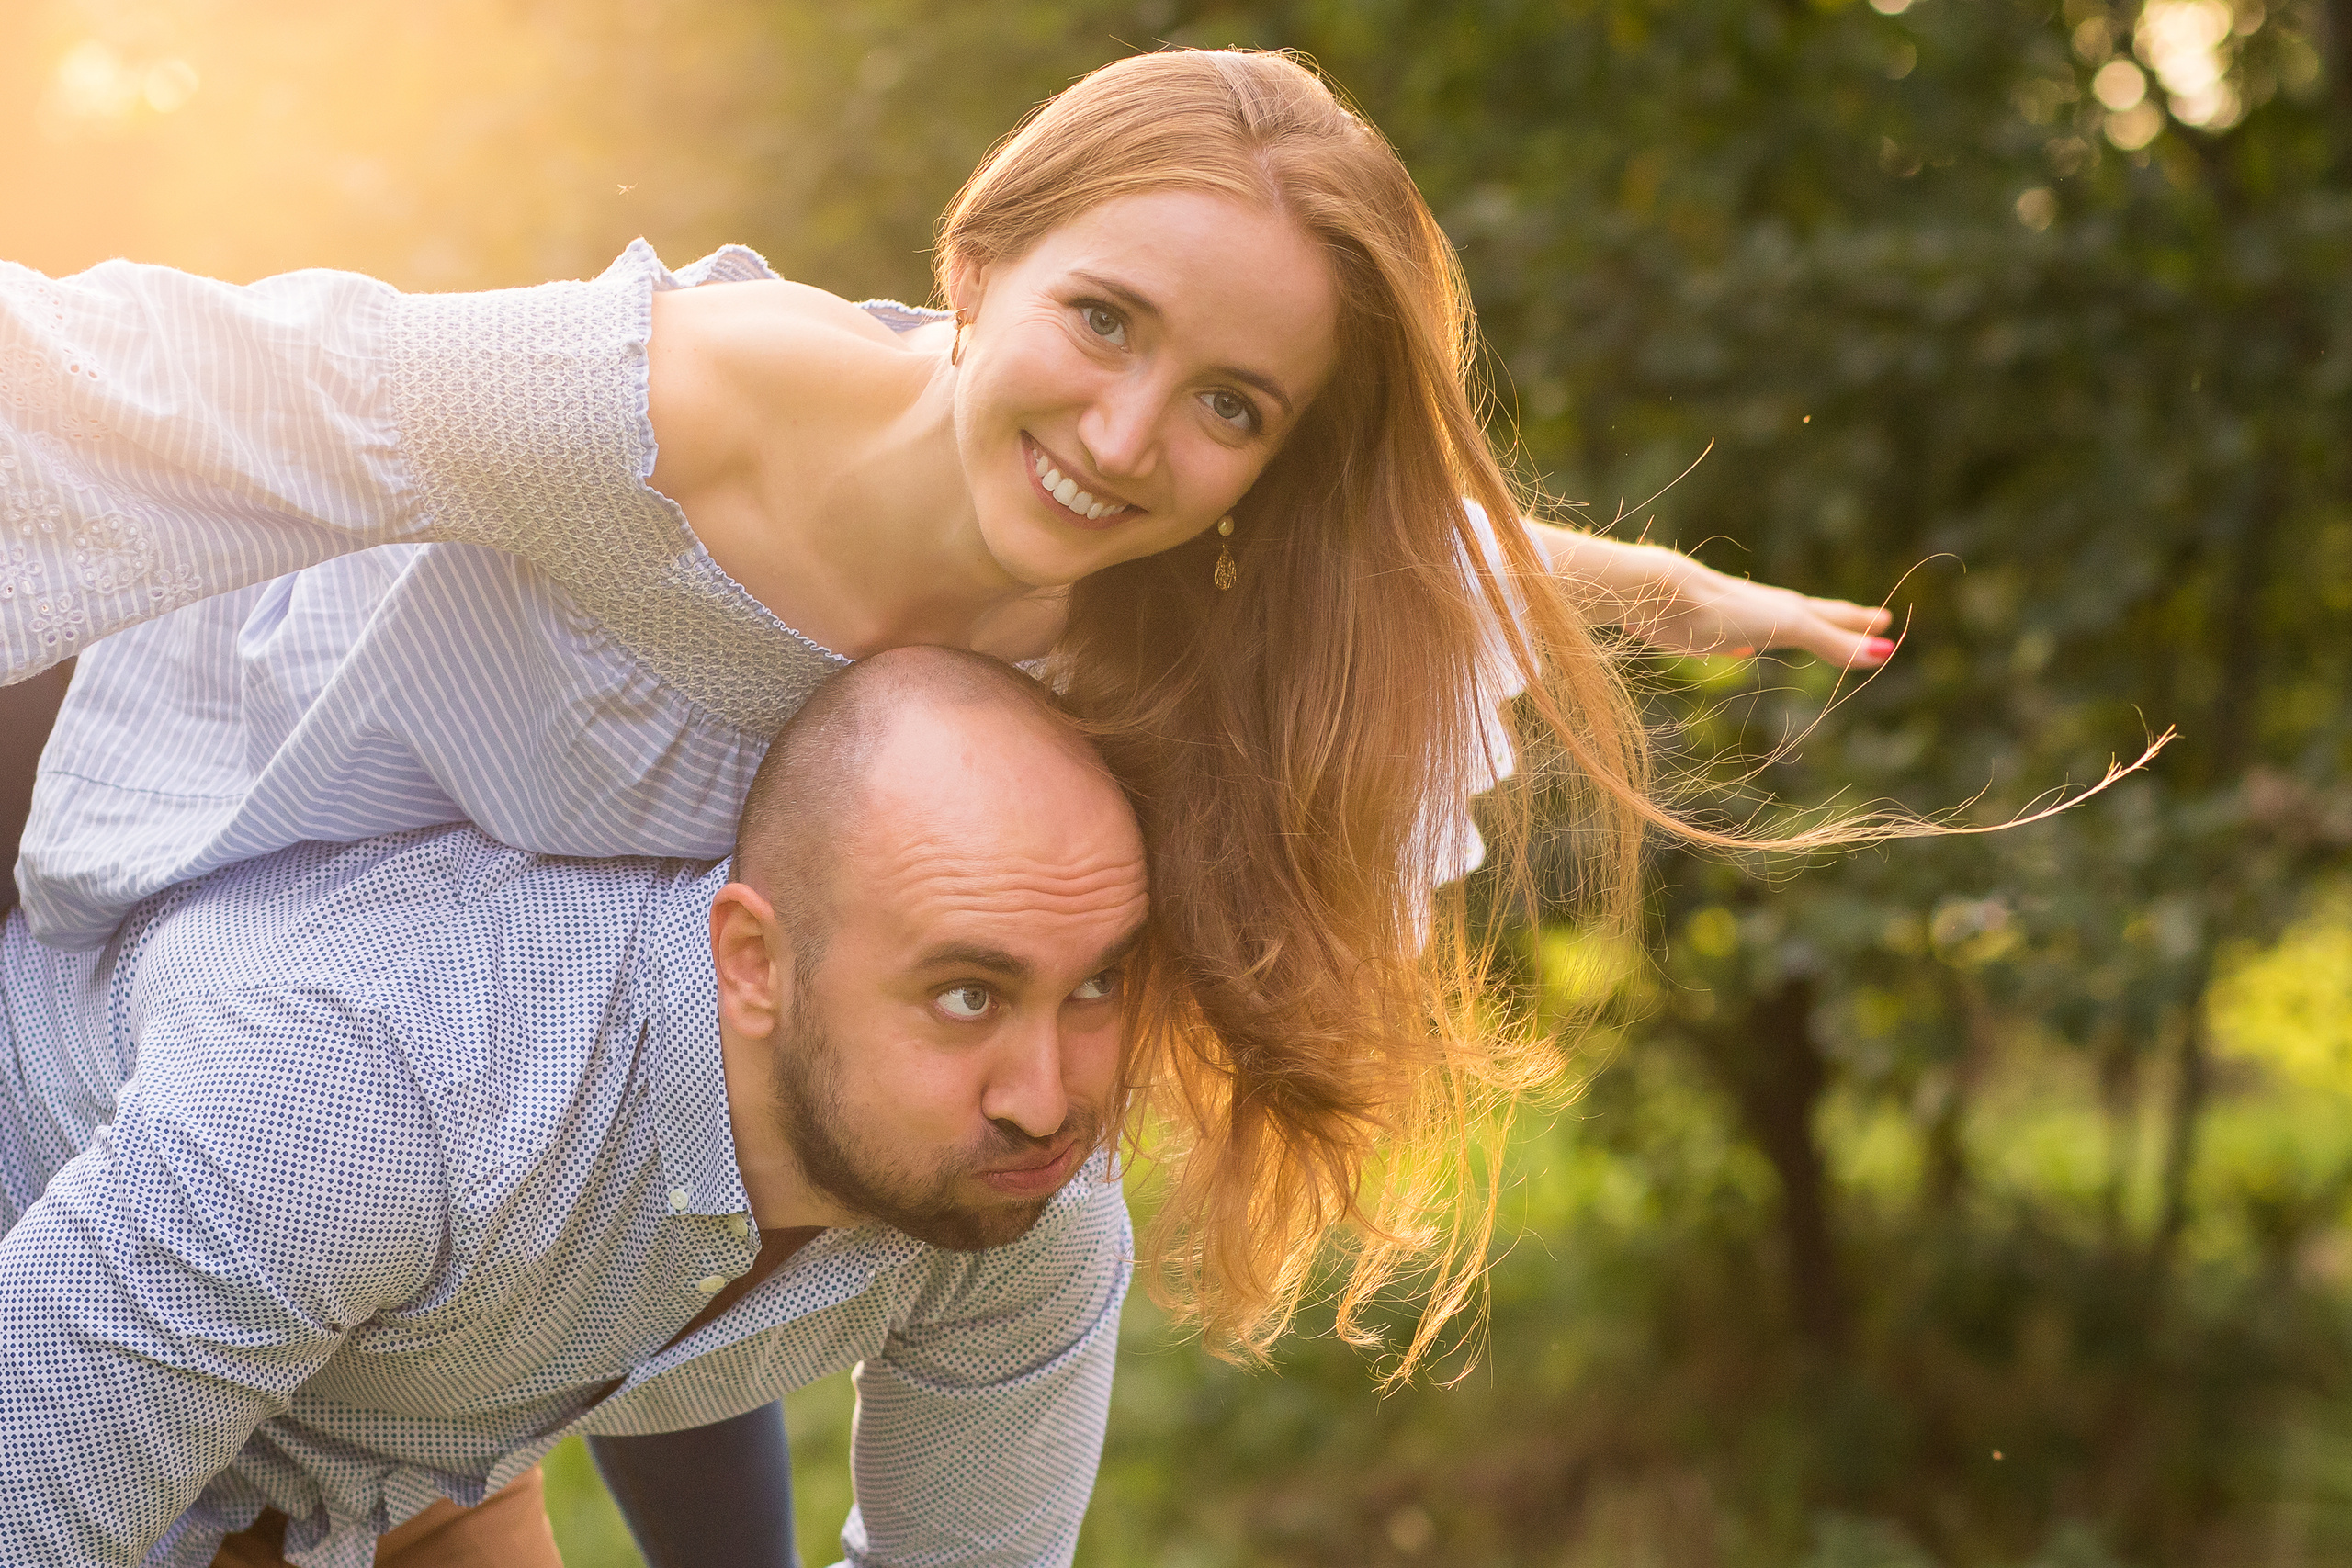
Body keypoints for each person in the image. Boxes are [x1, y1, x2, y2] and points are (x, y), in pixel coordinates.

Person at [0, 44, 1898, 1559]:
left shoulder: (1119, 600)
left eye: (1230, 408)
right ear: (973, 268)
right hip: (135, 752)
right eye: (1101, 324)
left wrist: (1656, 594)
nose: (1126, 439)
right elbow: (168, 386)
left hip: (566, 1023)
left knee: (663, 1244)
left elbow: (1382, 547)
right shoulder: (663, 411)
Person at [0, 647, 1141, 1567]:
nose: (1045, 1102)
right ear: (751, 962)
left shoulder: (1022, 1202)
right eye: (964, 995)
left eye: (1094, 982)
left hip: (377, 1452)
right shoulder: (370, 1095)